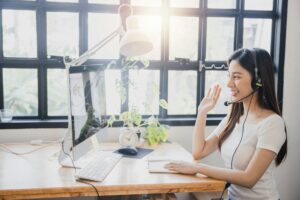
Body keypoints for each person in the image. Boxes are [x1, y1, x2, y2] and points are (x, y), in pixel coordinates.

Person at [165, 48, 287, 200]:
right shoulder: (233, 116)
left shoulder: (272, 123)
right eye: (229, 76)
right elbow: (199, 151)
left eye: (236, 77)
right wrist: (202, 112)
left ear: (258, 80)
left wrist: (197, 168)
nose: (229, 84)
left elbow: (249, 179)